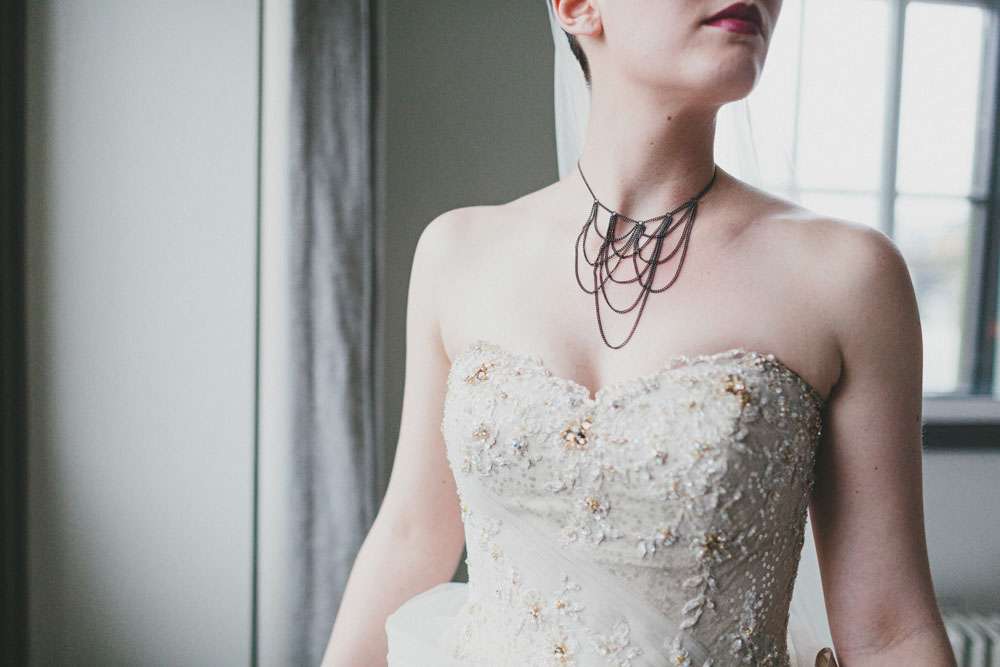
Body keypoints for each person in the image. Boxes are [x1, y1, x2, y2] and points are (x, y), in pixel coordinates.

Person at [323, 0, 957, 665]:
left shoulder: (847, 275)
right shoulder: (456, 253)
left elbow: (890, 631)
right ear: (576, 6)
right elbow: (409, 536)